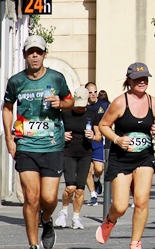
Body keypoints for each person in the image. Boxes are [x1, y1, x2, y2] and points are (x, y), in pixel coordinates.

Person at [2, 34, 74, 249]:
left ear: (44, 55)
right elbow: (7, 108)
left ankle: (46, 219)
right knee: (31, 198)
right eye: (31, 52)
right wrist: (9, 138)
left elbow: (71, 102)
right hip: (25, 145)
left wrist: (60, 103)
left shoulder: (56, 78)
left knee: (49, 198)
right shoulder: (16, 81)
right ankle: (33, 244)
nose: (35, 56)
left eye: (39, 52)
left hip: (52, 145)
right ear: (25, 55)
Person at [96, 63, 155, 249]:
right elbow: (103, 126)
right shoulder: (119, 102)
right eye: (137, 79)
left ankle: (135, 242)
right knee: (120, 206)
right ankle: (110, 220)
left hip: (144, 157)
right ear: (129, 80)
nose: (142, 82)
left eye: (145, 78)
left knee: (141, 201)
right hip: (121, 158)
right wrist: (117, 140)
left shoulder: (154, 102)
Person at [55, 86, 103, 230]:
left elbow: (99, 135)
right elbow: (55, 129)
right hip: (68, 152)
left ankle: (76, 217)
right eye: (78, 105)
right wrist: (62, 135)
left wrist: (93, 137)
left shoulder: (93, 114)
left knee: (80, 190)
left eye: (83, 106)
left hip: (85, 154)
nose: (80, 109)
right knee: (70, 187)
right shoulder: (65, 113)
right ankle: (63, 212)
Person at [85, 82, 110, 206]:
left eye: (95, 91)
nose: (93, 94)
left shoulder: (103, 105)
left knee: (99, 169)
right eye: (90, 92)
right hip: (84, 142)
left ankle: (96, 179)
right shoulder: (82, 105)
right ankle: (93, 195)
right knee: (87, 170)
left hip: (98, 139)